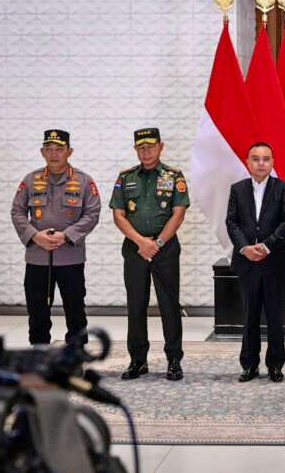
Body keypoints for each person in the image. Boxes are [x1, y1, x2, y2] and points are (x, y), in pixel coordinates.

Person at [110, 128, 189, 380]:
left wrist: (158, 242)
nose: (146, 151)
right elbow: (118, 215)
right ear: (135, 149)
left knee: (169, 304)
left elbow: (178, 213)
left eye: (150, 146)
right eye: (140, 147)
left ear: (160, 146)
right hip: (135, 249)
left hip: (165, 249)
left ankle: (174, 359)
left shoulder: (174, 176)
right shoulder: (125, 178)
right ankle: (137, 361)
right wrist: (141, 242)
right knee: (136, 305)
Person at [11, 129, 101, 346]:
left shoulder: (83, 181)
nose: (54, 154)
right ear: (42, 152)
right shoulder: (31, 180)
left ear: (69, 151)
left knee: (75, 310)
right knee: (37, 311)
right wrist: (35, 236)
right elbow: (17, 211)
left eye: (59, 149)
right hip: (37, 258)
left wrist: (66, 236)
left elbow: (92, 213)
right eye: (49, 149)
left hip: (70, 257)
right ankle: (40, 355)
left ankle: (76, 357)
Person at [225, 142, 285, 383]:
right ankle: (249, 365)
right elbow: (231, 222)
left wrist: (265, 246)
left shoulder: (283, 188)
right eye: (256, 159)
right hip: (247, 262)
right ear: (247, 162)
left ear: (273, 162)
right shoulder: (237, 189)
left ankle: (275, 365)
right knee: (250, 314)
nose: (261, 163)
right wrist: (245, 248)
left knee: (274, 315)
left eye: (266, 159)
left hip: (274, 260)